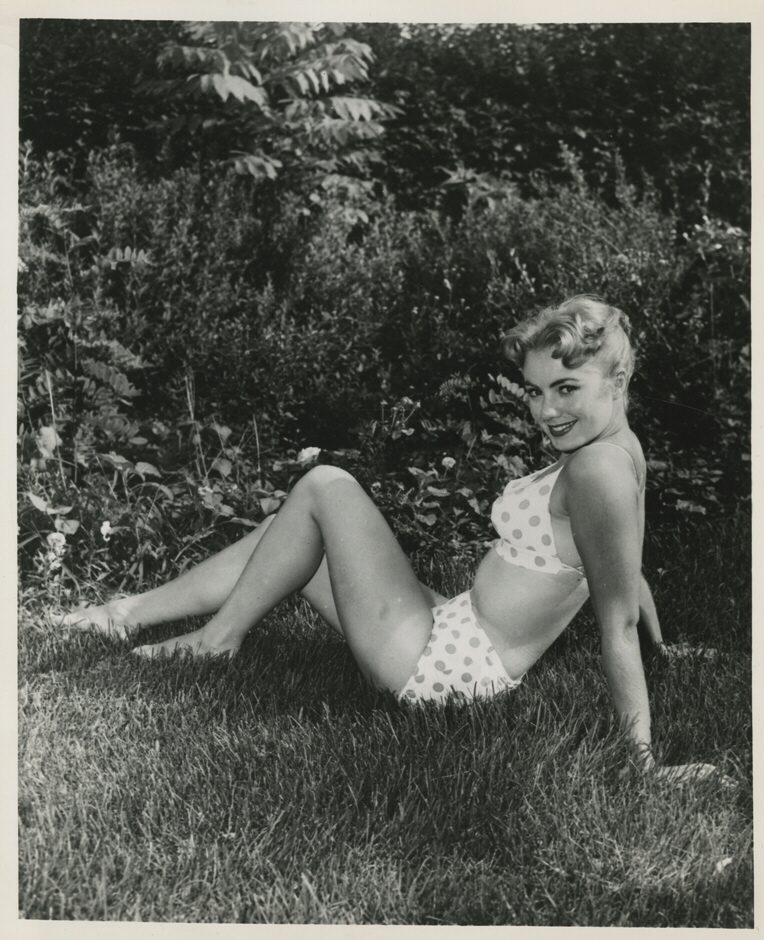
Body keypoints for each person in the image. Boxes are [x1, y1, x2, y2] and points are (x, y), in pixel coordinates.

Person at [62, 295, 718, 782]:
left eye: (566, 388)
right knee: (284, 536)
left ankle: (214, 641)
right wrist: (669, 651)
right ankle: (126, 615)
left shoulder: (597, 469)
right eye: (537, 390)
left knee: (324, 487)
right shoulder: (618, 448)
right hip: (453, 628)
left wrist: (643, 765)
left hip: (443, 667)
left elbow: (617, 619)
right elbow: (625, 568)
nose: (547, 410)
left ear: (619, 381)